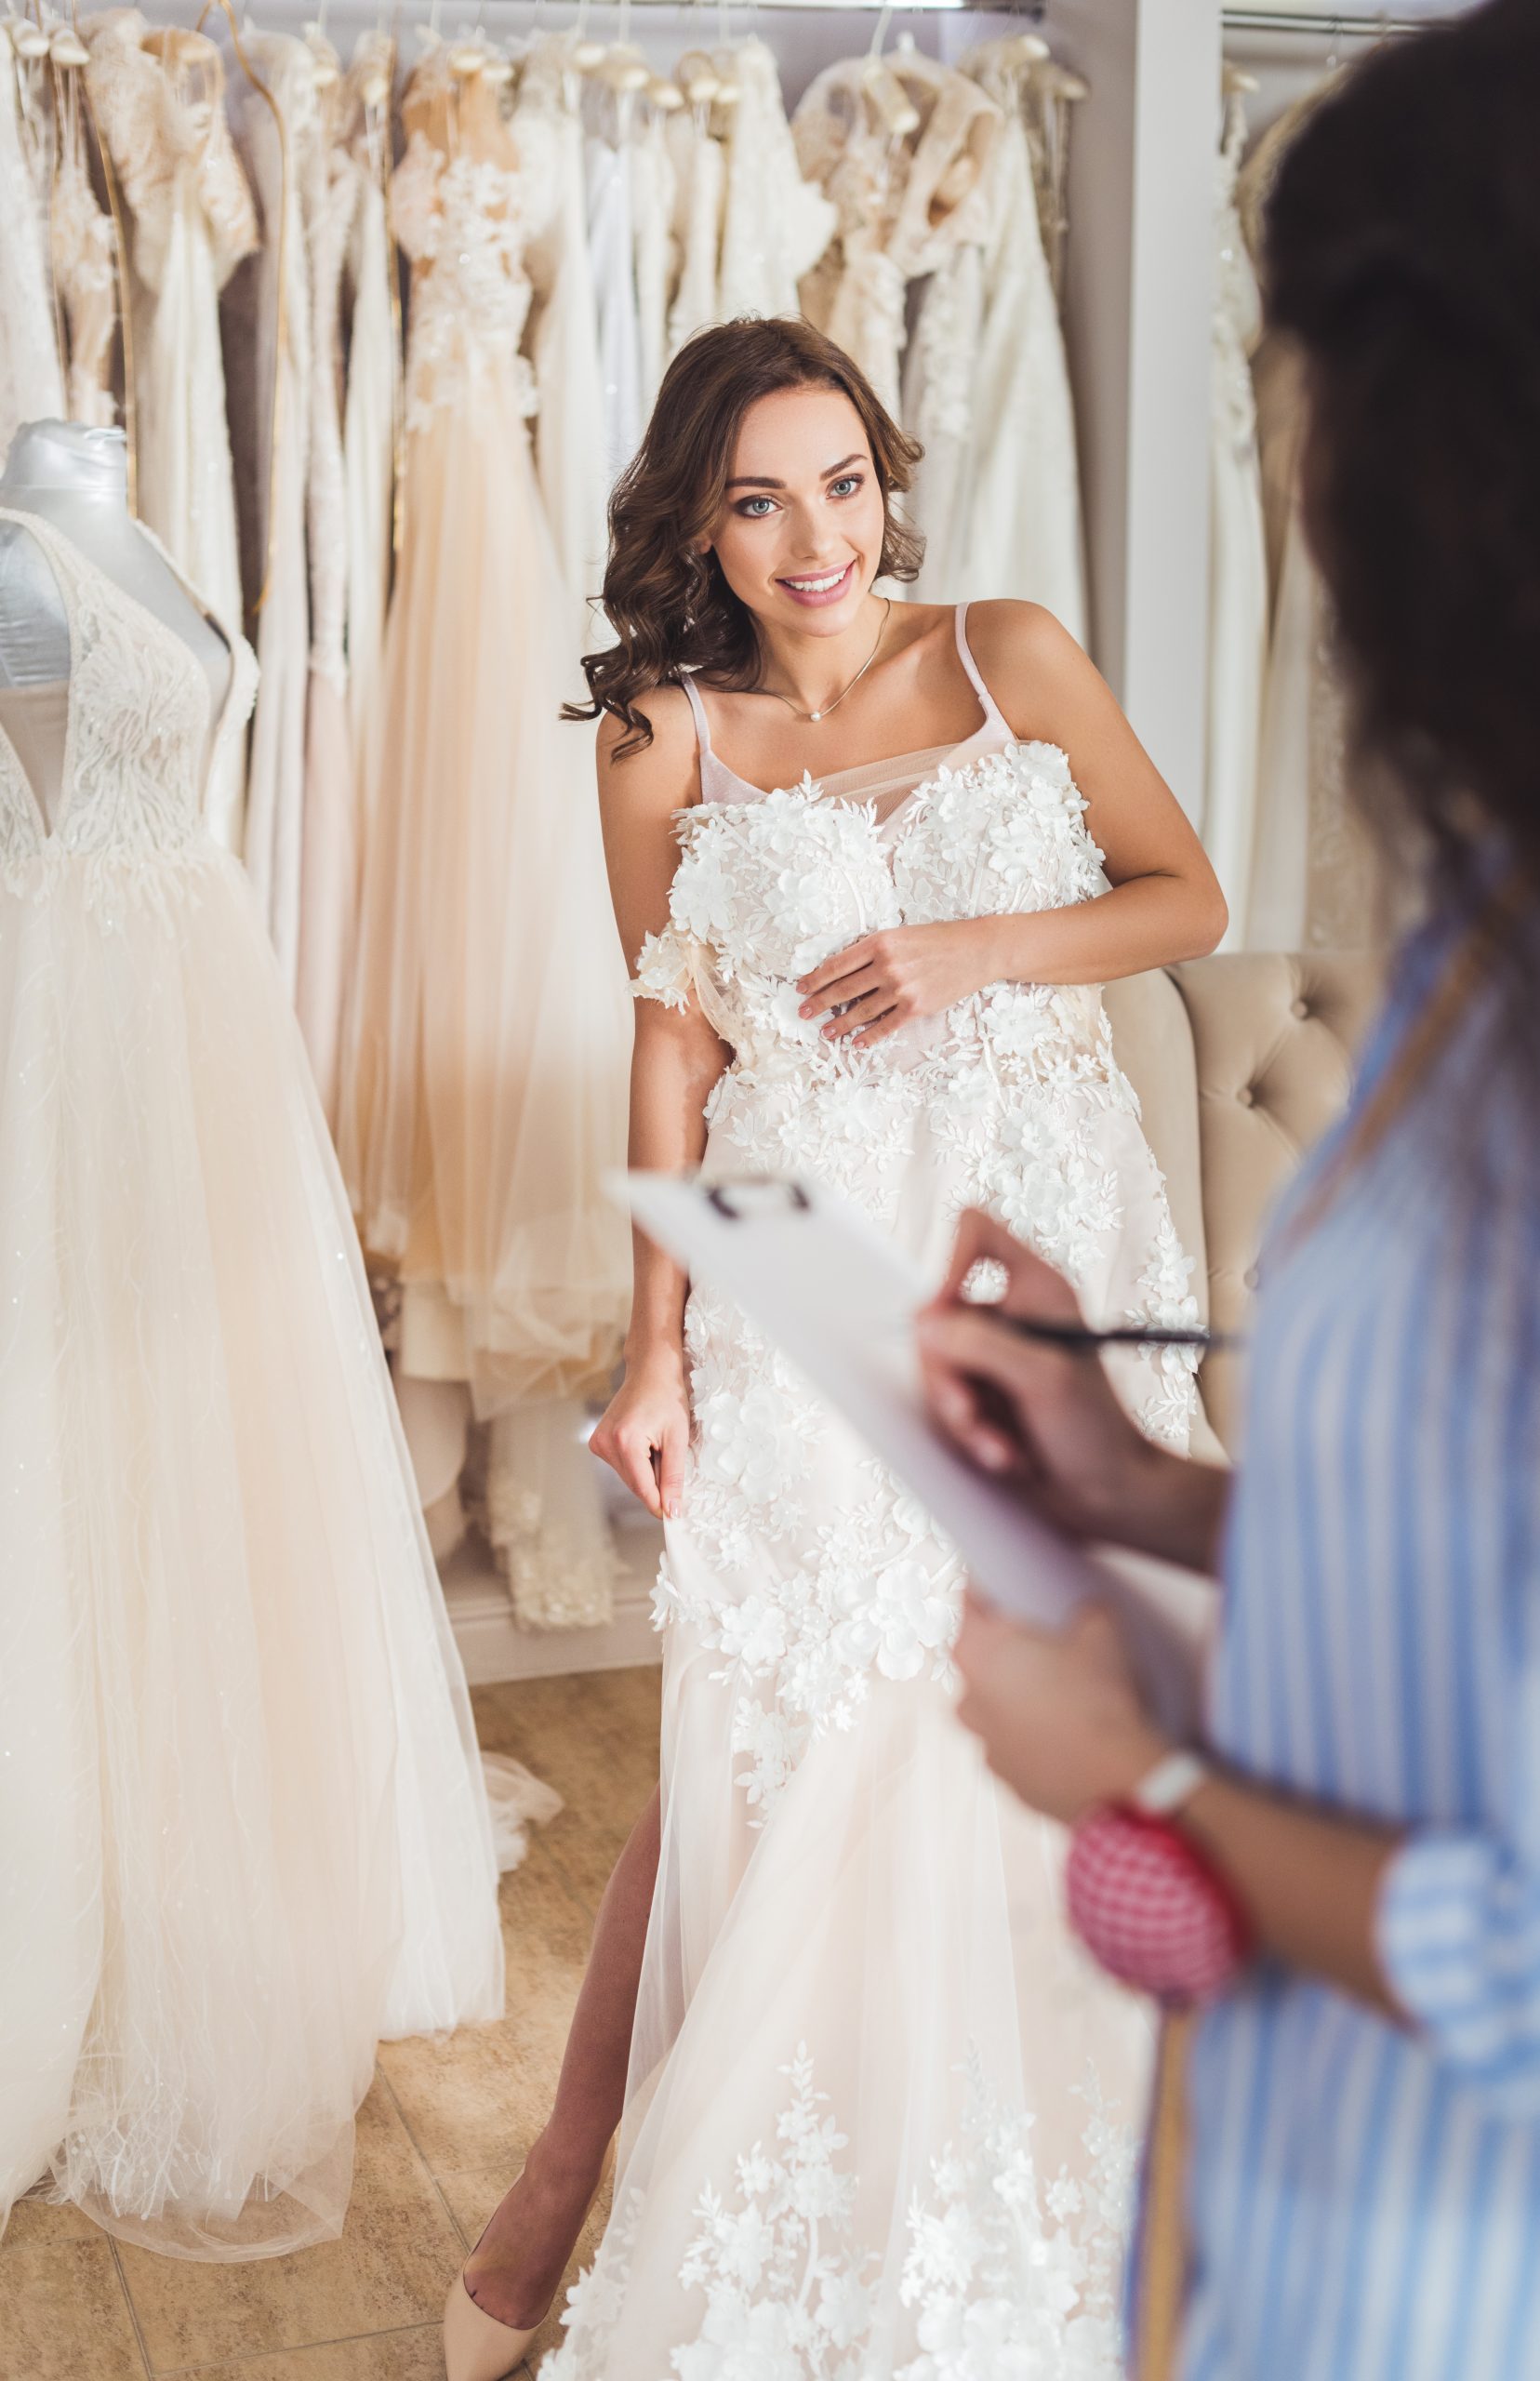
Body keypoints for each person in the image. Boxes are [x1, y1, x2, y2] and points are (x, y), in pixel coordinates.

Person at [442, 313, 1227, 2381]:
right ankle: (611, 2183)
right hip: (802, 1248)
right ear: (702, 521)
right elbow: (670, 1035)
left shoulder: (1008, 654)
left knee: (1035, 1717)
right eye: (763, 498)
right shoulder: (658, 737)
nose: (819, 538)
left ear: (890, 475)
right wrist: (653, 1352)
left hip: (1035, 1237)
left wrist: (980, 944)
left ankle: (1047, 2188)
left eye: (847, 483)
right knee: (795, 1720)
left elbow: (1185, 894)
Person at [923, 5, 1540, 2374]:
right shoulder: (1480, 944)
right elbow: (1490, 1571)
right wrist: (1148, 1485)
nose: (1292, 483)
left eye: (1307, 398)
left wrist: (1153, 1770)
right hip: (1272, 2220)